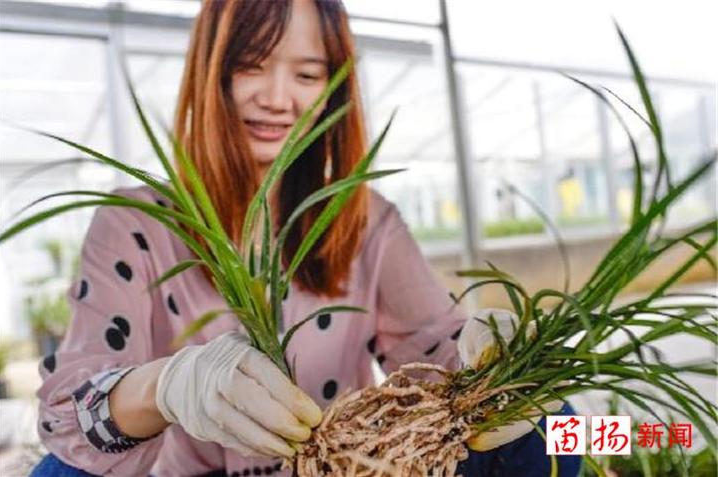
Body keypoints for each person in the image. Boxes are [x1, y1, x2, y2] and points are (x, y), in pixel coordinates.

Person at [29, 1, 580, 476]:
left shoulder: (363, 220)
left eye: (308, 74)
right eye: (250, 66)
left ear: (333, 92)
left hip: (339, 468)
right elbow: (66, 411)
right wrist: (166, 386)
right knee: (60, 470)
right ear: (211, 72)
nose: (275, 97)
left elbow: (444, 348)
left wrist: (505, 362)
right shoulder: (135, 224)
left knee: (560, 425)